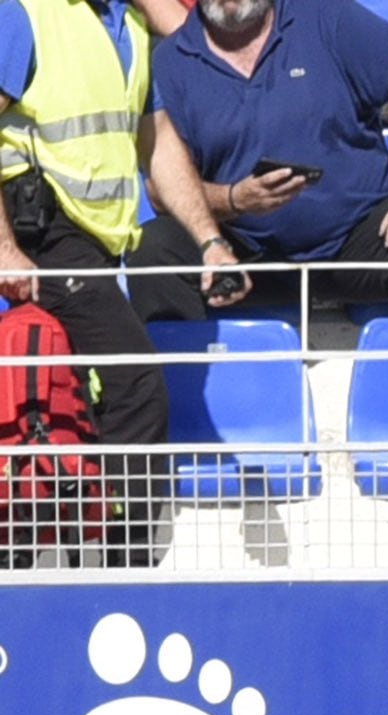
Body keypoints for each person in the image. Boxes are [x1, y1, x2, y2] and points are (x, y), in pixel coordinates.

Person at [0, 0, 247, 567]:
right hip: (43, 232)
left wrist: (210, 240)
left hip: (97, 243)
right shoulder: (24, 15)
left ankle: (94, 551)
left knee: (100, 389)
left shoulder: (131, 27)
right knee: (137, 385)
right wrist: (6, 248)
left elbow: (155, 143)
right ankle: (124, 566)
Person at [128, 0, 388, 324]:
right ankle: (180, 380)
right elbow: (161, 191)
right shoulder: (169, 62)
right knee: (155, 250)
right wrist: (234, 199)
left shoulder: (326, 15)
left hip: (356, 236)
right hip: (242, 253)